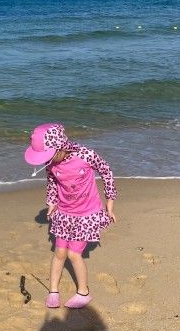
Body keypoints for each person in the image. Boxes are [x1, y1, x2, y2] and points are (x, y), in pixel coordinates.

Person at [24, 123, 117, 309]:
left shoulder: (85, 155)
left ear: (59, 147)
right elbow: (51, 182)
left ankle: (83, 292)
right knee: (59, 252)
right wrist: (51, 203)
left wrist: (110, 203)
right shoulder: (50, 162)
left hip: (86, 214)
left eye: (47, 155)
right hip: (64, 212)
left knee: (74, 254)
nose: (46, 160)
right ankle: (53, 291)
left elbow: (107, 172)